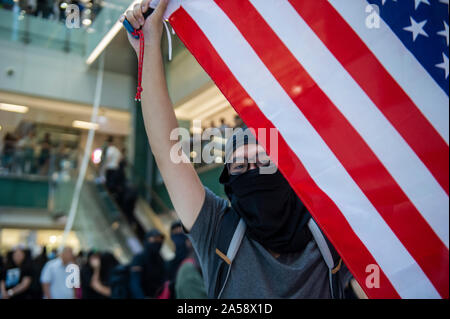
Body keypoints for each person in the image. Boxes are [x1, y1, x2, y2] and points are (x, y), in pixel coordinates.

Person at [121, 0, 354, 299]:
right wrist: (149, 45)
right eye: (240, 168)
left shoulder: (329, 231)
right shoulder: (217, 229)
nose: (252, 172)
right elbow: (168, 155)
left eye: (262, 161)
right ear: (229, 182)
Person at [129, 230, 166, 298]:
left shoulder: (159, 258)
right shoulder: (139, 258)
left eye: (159, 239)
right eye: (154, 239)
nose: (157, 242)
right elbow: (135, 283)